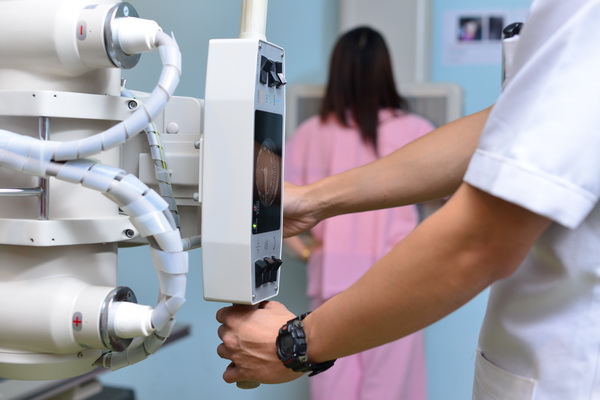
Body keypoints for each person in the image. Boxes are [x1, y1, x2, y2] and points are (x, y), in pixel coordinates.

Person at [215, 1, 600, 398]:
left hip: (373, 280)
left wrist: (293, 342)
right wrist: (314, 200)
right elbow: (512, 125)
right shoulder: (414, 127)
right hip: (396, 272)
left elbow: (482, 234)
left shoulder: (312, 130)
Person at [283, 26, 433, 400]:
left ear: (338, 71)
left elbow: (273, 206)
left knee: (332, 390)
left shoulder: (310, 133)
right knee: (391, 391)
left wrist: (306, 251)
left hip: (332, 285)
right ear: (385, 70)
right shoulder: (417, 132)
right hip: (398, 283)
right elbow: (451, 202)